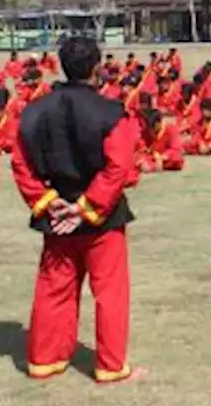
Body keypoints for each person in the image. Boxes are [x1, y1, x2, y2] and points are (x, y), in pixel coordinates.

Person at [10, 36, 144, 385]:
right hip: (102, 219)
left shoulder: (33, 112)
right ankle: (111, 366)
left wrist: (48, 201)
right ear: (97, 67)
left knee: (53, 290)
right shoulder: (112, 112)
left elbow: (20, 163)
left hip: (56, 215)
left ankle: (44, 360)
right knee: (110, 293)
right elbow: (118, 167)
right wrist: (86, 207)